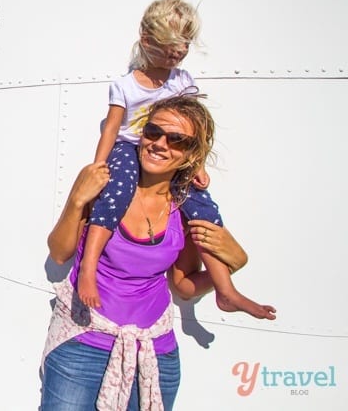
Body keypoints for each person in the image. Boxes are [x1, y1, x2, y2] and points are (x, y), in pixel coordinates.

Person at [41, 95, 275, 410]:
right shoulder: (107, 183)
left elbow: (183, 285)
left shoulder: (185, 209)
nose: (160, 144)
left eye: (176, 140)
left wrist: (234, 265)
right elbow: (59, 252)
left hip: (154, 351)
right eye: (153, 132)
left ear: (192, 154)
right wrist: (76, 201)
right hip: (82, 344)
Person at [77, 0, 272, 320]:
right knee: (115, 196)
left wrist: (198, 165)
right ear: (147, 41)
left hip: (175, 149)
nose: (178, 53)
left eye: (184, 45)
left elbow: (194, 126)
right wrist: (99, 166)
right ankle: (88, 268)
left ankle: (226, 291)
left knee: (202, 204)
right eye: (171, 46)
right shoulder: (125, 86)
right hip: (129, 146)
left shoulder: (182, 80)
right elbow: (112, 128)